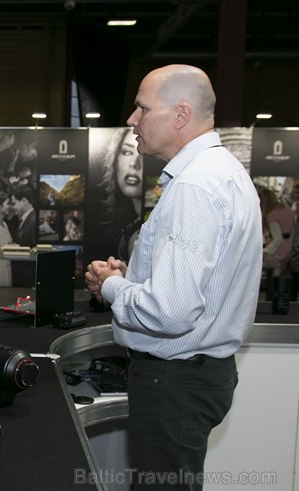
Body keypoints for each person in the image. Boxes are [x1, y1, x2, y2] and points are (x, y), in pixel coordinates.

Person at [85, 64, 262, 490]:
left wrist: (112, 286)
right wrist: (135, 279)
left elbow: (171, 313)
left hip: (174, 383)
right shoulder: (225, 174)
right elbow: (199, 284)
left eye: (142, 108)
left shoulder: (194, 187)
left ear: (180, 116)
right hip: (200, 377)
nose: (132, 119)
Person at [99, 127, 144, 260]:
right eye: (127, 152)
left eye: (143, 154)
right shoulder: (125, 226)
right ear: (115, 160)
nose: (134, 164)